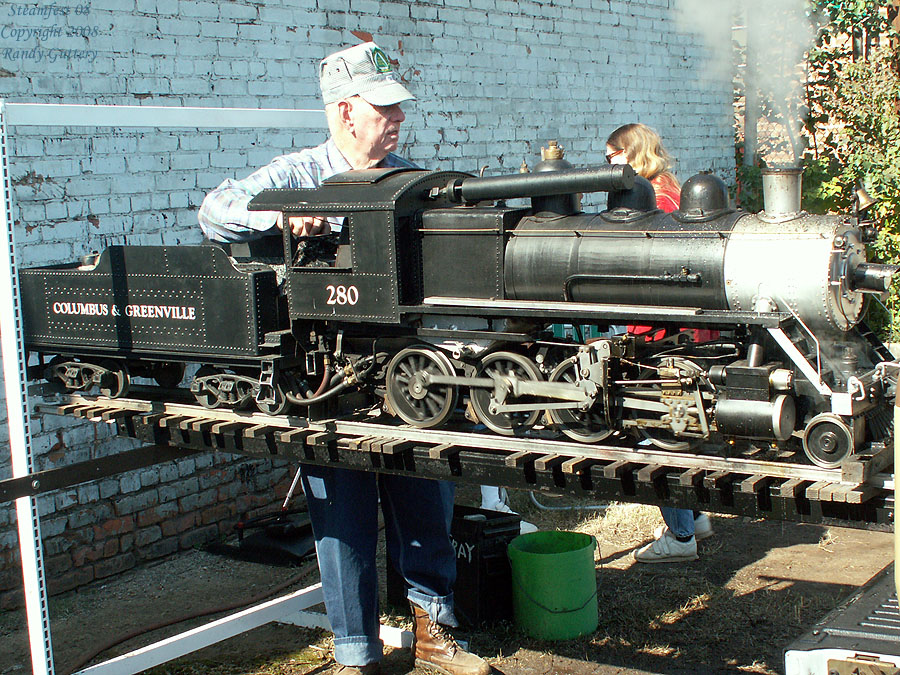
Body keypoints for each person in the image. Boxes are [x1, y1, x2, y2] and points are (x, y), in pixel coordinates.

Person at [199, 42, 491, 675]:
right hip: (324, 378)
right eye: (382, 108)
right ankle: (355, 650)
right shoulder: (297, 174)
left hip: (407, 375)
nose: (396, 120)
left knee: (426, 501)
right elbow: (213, 212)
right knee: (343, 516)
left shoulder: (412, 180)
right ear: (343, 111)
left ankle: (435, 630)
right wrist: (283, 216)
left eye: (398, 108)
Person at [605, 122, 714, 563]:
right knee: (684, 420)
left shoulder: (650, 199)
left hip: (661, 331)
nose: (607, 165)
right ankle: (698, 516)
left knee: (663, 427)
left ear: (629, 154)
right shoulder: (669, 189)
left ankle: (681, 536)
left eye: (611, 155)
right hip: (677, 325)